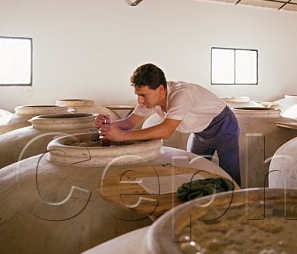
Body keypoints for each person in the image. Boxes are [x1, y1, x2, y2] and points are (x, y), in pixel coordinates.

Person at [96, 63, 241, 186]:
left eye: (143, 95)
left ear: (160, 89)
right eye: (138, 95)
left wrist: (121, 136)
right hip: (200, 132)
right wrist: (109, 125)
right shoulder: (149, 100)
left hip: (223, 125)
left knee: (230, 175)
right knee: (192, 171)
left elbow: (166, 131)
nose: (140, 100)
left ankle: (238, 205)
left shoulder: (182, 94)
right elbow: (129, 123)